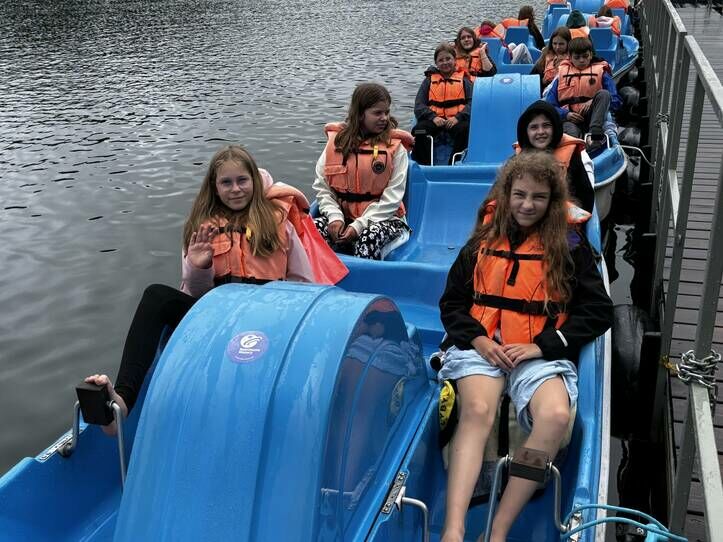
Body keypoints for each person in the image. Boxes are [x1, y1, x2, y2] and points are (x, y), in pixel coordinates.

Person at [85, 145, 325, 434]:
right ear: (215, 187)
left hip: (268, 319)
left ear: (253, 180)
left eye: (242, 180)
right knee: (156, 295)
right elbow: (195, 295)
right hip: (219, 320)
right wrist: (199, 266)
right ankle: (121, 403)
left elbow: (304, 282)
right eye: (226, 182)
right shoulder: (201, 229)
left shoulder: (279, 223)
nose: (235, 189)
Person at [436, 151, 613, 542]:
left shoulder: (570, 247)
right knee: (477, 409)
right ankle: (453, 529)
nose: (527, 205)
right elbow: (451, 304)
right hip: (483, 348)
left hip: (537, 352)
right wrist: (480, 340)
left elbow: (599, 312)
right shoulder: (481, 242)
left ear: (553, 201)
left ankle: (497, 530)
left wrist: (543, 346)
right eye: (519, 195)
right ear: (506, 194)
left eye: (538, 197)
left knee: (556, 416)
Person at [313, 82, 414, 260]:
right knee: (312, 231)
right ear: (360, 114)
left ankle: (364, 277)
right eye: (377, 113)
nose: (384, 118)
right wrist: (335, 217)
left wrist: (359, 225)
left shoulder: (396, 148)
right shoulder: (335, 143)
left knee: (368, 238)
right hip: (342, 216)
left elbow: (393, 198)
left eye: (387, 112)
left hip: (384, 219)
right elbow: (322, 187)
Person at [513, 100, 595, 212]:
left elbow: (586, 201)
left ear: (555, 127)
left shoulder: (573, 159)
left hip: (560, 219)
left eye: (546, 125)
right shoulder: (516, 161)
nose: (540, 132)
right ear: (525, 132)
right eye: (534, 127)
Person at [545, 37, 622, 155]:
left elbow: (616, 101)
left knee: (604, 94)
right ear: (570, 57)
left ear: (590, 55)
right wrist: (566, 114)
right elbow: (549, 105)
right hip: (570, 119)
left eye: (585, 56)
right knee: (571, 134)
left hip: (595, 117)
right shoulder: (561, 75)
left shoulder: (602, 73)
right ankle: (574, 152)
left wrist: (593, 101)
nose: (582, 60)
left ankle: (595, 137)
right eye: (577, 57)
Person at [412, 43, 473, 166]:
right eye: (441, 60)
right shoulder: (428, 81)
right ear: (436, 63)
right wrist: (433, 117)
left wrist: (458, 118)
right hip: (435, 120)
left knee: (466, 129)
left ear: (454, 60)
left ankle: (454, 164)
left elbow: (472, 103)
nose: (445, 63)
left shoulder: (464, 81)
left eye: (448, 59)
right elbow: (419, 105)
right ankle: (424, 166)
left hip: (456, 121)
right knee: (419, 130)